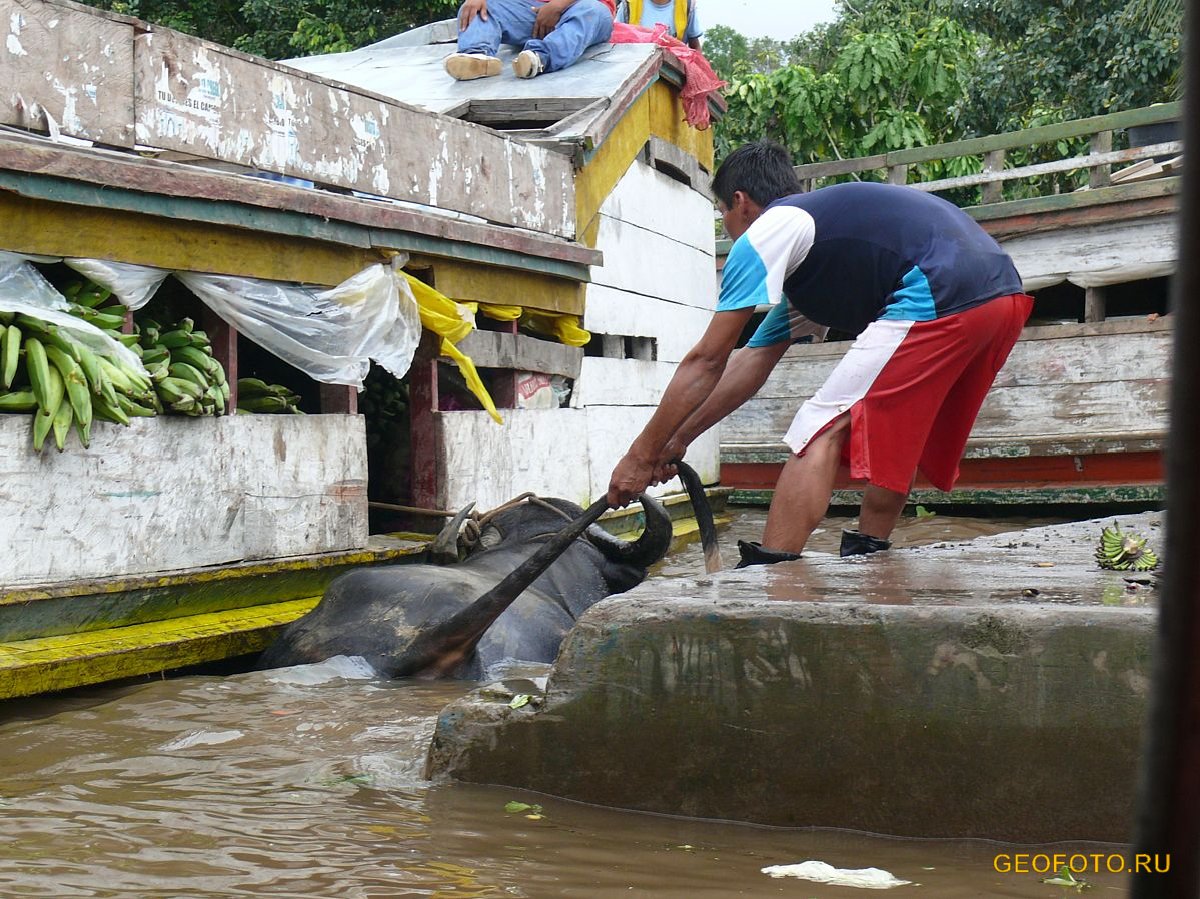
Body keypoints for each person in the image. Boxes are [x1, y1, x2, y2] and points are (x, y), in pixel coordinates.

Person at [606, 140, 1032, 566]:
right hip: (1002, 294)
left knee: (819, 426)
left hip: (944, 288)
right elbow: (749, 363)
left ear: (742, 203)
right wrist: (675, 440)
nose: (727, 227)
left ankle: (771, 572)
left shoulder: (770, 230)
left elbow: (708, 361)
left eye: (722, 214)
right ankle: (868, 556)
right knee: (901, 428)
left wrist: (638, 457)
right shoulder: (814, 255)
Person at [444, 0, 615, 81]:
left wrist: (558, 5)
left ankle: (539, 58)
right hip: (533, 10)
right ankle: (477, 57)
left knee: (590, 10)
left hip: (584, 9)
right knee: (480, 6)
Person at [616, 0, 703, 50]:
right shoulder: (628, 4)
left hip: (672, 77)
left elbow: (695, 47)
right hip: (634, 73)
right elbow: (614, 41)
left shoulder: (686, 5)